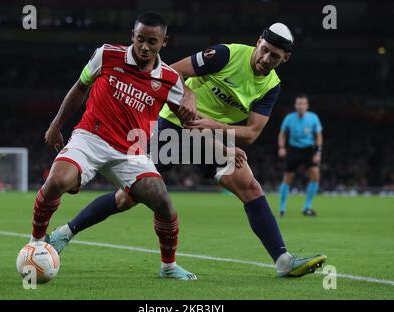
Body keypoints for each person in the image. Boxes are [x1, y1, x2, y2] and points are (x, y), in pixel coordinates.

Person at [50, 23, 327, 277]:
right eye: (264, 51)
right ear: (258, 42)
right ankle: (66, 232)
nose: (266, 59)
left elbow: (251, 134)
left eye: (274, 57)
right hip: (170, 126)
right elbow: (172, 71)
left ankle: (283, 261)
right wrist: (190, 96)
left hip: (206, 133)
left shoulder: (271, 86)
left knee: (249, 186)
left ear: (284, 59)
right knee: (127, 198)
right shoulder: (226, 55)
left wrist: (210, 126)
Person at [28, 11, 199, 280]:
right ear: (132, 36)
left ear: (164, 42)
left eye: (152, 42)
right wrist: (56, 124)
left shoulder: (169, 79)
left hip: (132, 152)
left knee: (163, 201)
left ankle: (168, 266)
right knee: (56, 180)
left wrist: (193, 100)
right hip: (90, 138)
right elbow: (80, 87)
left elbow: (190, 120)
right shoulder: (107, 55)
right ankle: (35, 243)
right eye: (140, 39)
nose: (144, 47)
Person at [278, 94, 323, 217]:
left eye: (303, 103)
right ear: (295, 105)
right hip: (294, 150)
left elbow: (318, 135)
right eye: (299, 103)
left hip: (309, 149)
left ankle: (307, 207)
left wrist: (318, 152)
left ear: (307, 106)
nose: (301, 106)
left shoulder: (313, 118)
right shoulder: (289, 118)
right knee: (288, 177)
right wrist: (281, 147)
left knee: (315, 175)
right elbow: (282, 134)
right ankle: (282, 208)